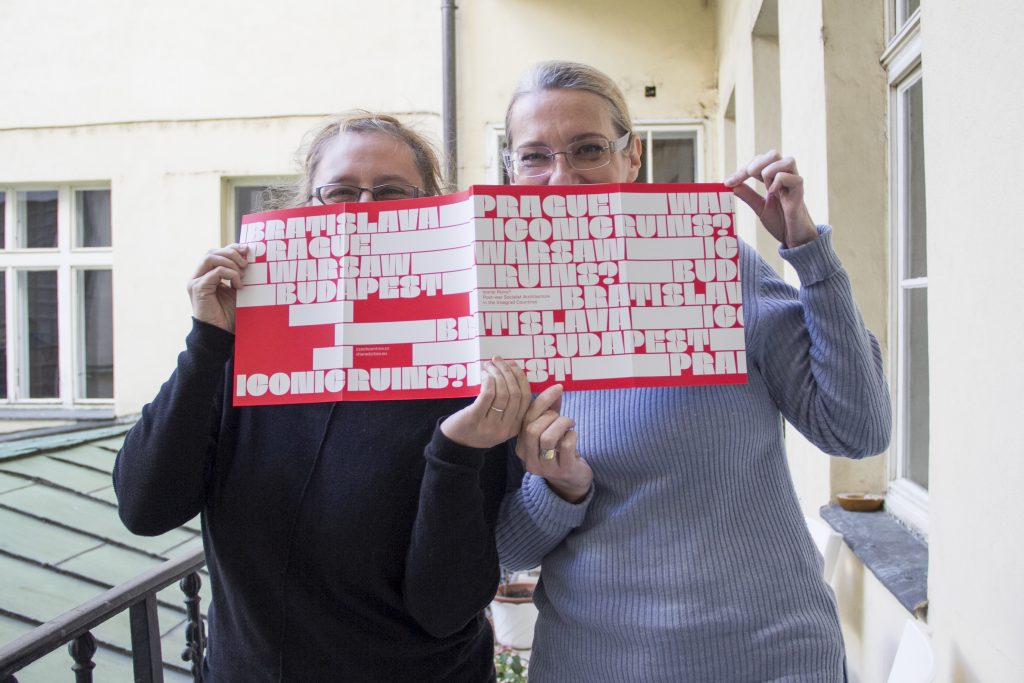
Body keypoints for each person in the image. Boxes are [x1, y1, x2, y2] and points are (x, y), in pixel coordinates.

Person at [496, 61, 891, 682]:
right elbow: (508, 549)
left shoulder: (714, 267)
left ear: (632, 160)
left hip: (772, 660)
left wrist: (811, 257)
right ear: (511, 174)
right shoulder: (502, 318)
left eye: (589, 149)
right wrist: (559, 488)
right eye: (534, 157)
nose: (562, 179)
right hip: (595, 665)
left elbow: (857, 432)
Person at [114, 112, 544, 682]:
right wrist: (207, 344)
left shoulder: (466, 363)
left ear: (431, 211)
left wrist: (457, 455)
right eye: (340, 192)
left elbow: (447, 606)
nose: (363, 211)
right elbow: (145, 509)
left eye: (391, 193)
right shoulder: (242, 355)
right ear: (304, 208)